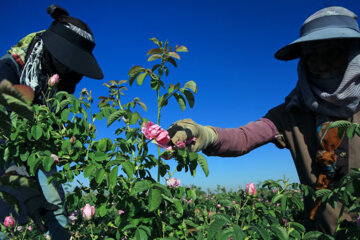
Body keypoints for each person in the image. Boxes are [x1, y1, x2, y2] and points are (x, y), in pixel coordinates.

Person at [167, 6, 360, 237]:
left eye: (332, 52)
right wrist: (205, 134)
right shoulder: (292, 112)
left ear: (353, 55)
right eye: (312, 54)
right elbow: (244, 137)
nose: (321, 63)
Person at [0, 4, 103, 240]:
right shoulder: (9, 70)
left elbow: (52, 127)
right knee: (11, 212)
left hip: (41, 148)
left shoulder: (65, 78)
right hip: (6, 150)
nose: (71, 69)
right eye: (68, 61)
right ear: (51, 51)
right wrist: (28, 190)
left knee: (55, 203)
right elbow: (6, 138)